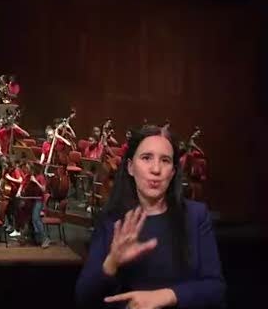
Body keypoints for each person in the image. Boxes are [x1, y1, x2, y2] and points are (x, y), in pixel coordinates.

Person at [75, 126, 225, 309]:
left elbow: (216, 290)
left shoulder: (196, 216)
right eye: (146, 158)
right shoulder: (111, 220)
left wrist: (166, 296)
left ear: (173, 171)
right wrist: (112, 261)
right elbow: (84, 299)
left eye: (165, 160)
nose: (156, 169)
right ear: (130, 167)